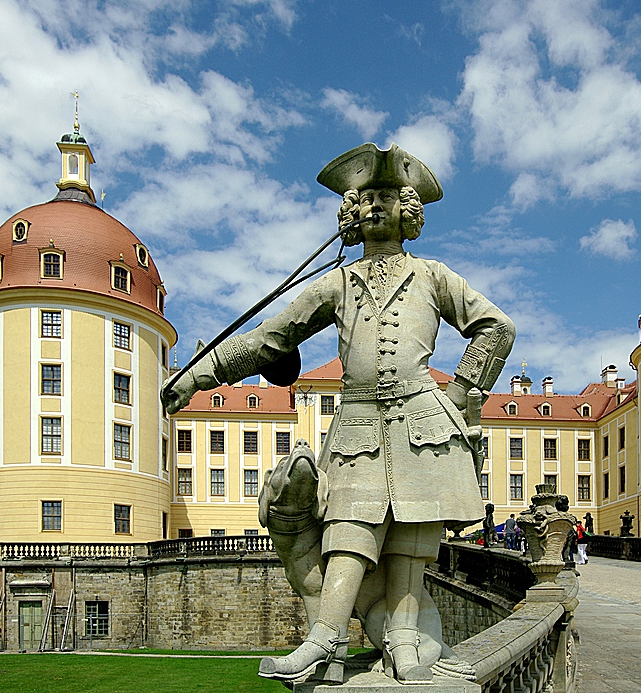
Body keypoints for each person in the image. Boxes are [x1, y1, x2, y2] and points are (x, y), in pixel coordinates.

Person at [162, 143, 515, 684]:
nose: (376, 206)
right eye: (367, 197)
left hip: (422, 419)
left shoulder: (433, 275)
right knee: (349, 530)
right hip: (356, 422)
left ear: (408, 209)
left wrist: (462, 389)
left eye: (388, 196)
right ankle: (323, 637)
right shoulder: (339, 282)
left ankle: (401, 636)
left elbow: (497, 327)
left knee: (411, 540)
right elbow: (269, 339)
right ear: (351, 209)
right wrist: (196, 376)